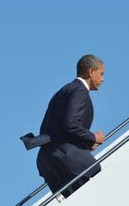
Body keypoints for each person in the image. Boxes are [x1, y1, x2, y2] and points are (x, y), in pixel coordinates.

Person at [36, 54, 106, 198]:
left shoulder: (64, 91)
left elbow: (59, 129)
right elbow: (71, 125)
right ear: (91, 72)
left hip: (47, 160)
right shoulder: (79, 90)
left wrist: (87, 142)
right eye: (101, 74)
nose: (103, 79)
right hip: (65, 157)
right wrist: (93, 137)